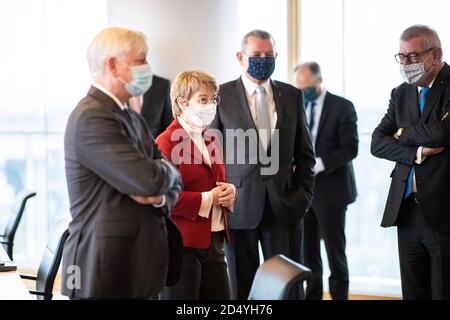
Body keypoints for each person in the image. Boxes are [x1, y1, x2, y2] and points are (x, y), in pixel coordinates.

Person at [62, 27, 183, 299]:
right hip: (105, 268)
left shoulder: (131, 116)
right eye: (140, 60)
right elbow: (148, 180)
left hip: (135, 265)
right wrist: (164, 174)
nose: (147, 67)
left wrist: (163, 191)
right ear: (113, 65)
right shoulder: (91, 117)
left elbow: (173, 174)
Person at [211, 29, 315, 300]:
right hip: (238, 208)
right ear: (240, 56)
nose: (263, 59)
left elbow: (306, 155)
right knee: (241, 288)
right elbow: (211, 155)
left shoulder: (292, 95)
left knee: (289, 288)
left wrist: (302, 196)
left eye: (269, 55)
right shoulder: (220, 95)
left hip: (284, 207)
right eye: (256, 55)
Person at [371, 24, 450, 300]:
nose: (405, 64)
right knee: (413, 291)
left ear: (436, 55)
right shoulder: (401, 92)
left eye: (413, 57)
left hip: (443, 210)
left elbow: (443, 132)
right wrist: (417, 152)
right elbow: (377, 142)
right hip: (407, 210)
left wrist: (403, 133)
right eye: (401, 57)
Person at [156, 70, 236, 300]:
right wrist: (209, 198)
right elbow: (164, 198)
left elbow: (218, 182)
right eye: (203, 99)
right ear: (182, 103)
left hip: (215, 241)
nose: (210, 105)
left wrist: (230, 193)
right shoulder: (165, 142)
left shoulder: (211, 138)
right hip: (183, 246)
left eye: (213, 99)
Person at [294, 62, 358, 300]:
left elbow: (350, 149)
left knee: (335, 253)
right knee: (308, 254)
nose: (303, 92)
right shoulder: (296, 105)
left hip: (332, 191)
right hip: (303, 192)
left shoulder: (342, 107)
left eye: (307, 87)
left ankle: (340, 297)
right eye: (299, 88)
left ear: (319, 81)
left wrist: (318, 164)